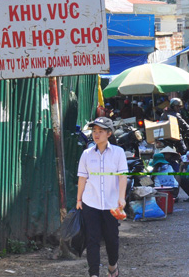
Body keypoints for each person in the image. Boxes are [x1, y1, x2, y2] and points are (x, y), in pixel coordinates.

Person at [76, 117, 128, 277]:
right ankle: (94, 274)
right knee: (92, 239)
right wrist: (78, 200)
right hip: (90, 202)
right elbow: (82, 178)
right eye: (94, 131)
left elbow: (122, 177)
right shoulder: (86, 154)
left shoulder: (118, 153)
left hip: (112, 204)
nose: (96, 134)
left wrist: (121, 198)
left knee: (112, 239)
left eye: (100, 131)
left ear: (109, 133)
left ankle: (113, 265)